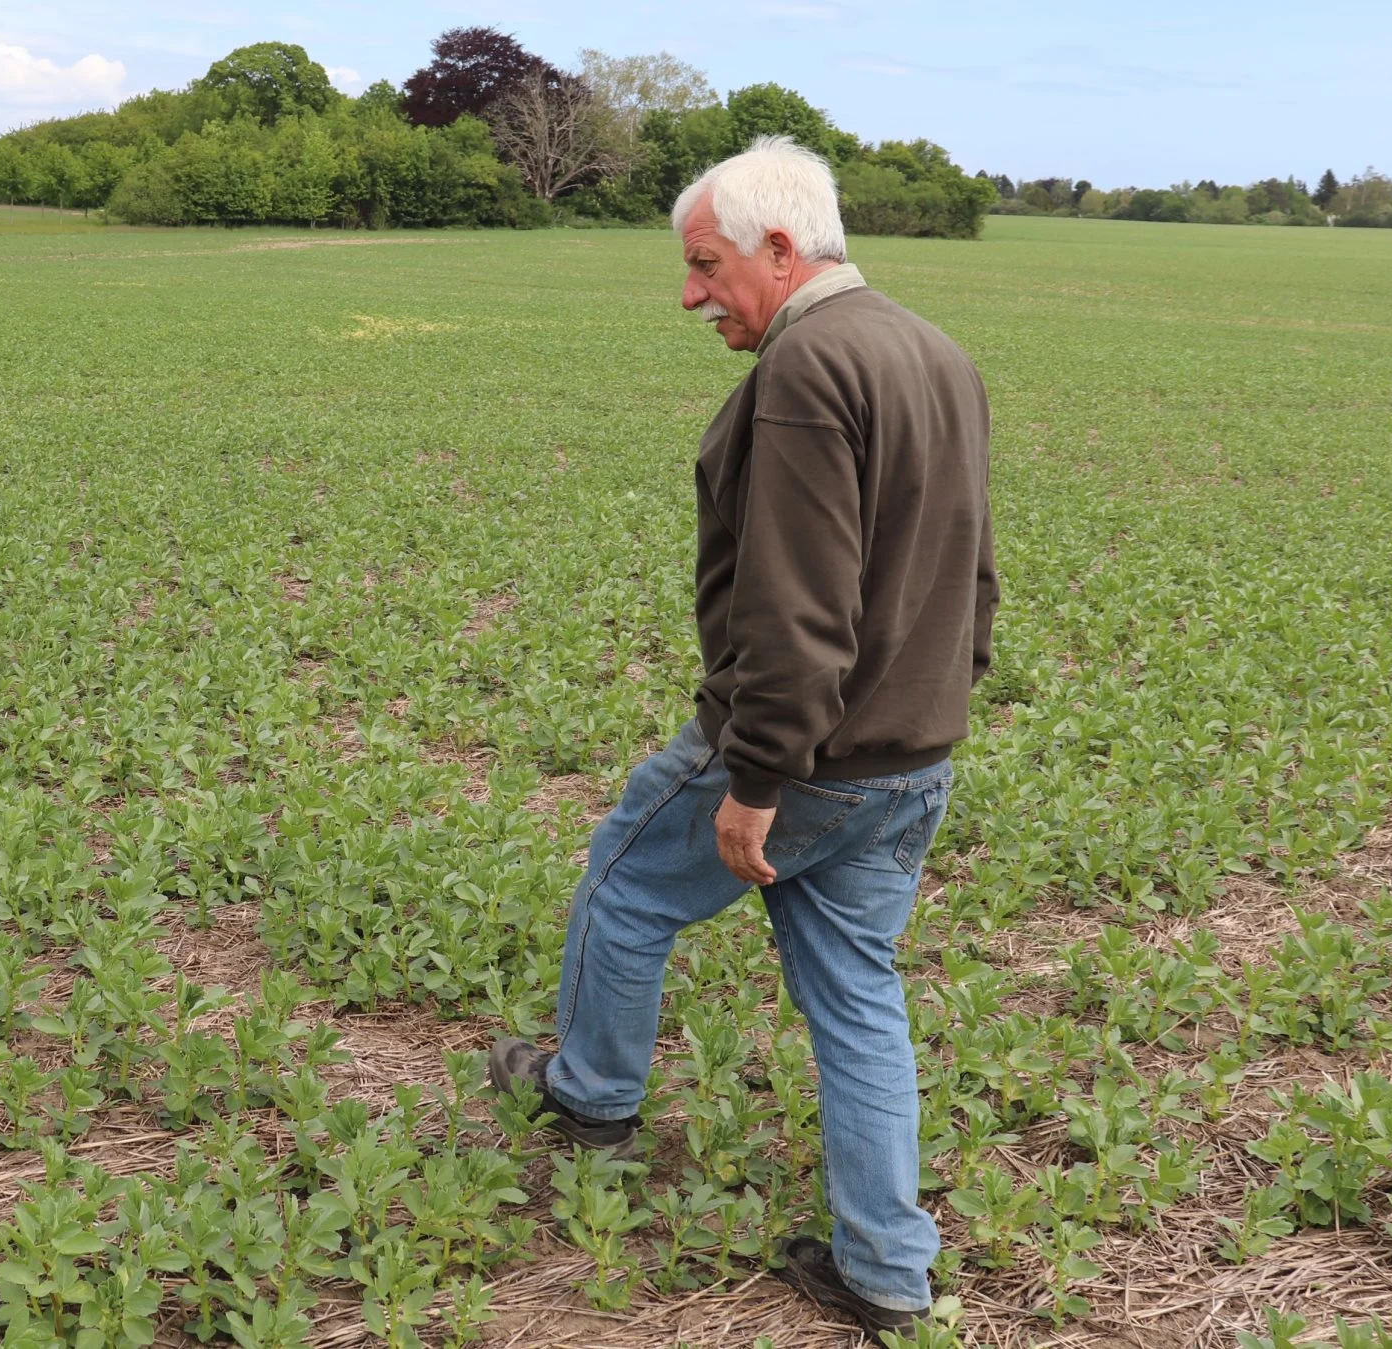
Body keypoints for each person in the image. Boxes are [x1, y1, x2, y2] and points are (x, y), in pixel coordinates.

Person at [488, 135, 999, 1339]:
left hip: (801, 754)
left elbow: (795, 604)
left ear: (782, 247)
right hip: (908, 757)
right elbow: (973, 575)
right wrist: (933, 709)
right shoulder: (937, 352)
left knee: (624, 886)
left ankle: (592, 1102)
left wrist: (757, 778)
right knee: (859, 996)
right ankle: (885, 1271)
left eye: (707, 264)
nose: (690, 293)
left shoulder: (809, 371)